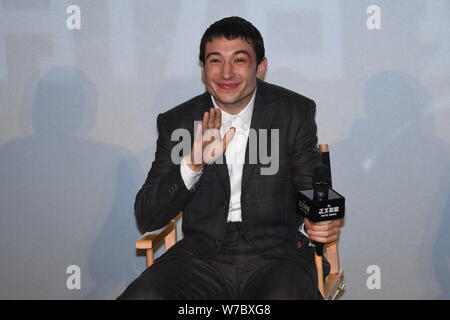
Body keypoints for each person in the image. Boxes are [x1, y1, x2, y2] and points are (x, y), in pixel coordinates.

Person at [118, 16, 341, 300]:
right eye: (215, 60)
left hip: (277, 256)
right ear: (203, 68)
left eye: (239, 60)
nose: (226, 73)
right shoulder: (178, 122)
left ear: (260, 67)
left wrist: (318, 222)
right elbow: (148, 215)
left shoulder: (293, 111)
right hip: (199, 258)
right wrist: (192, 163)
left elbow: (310, 189)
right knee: (143, 296)